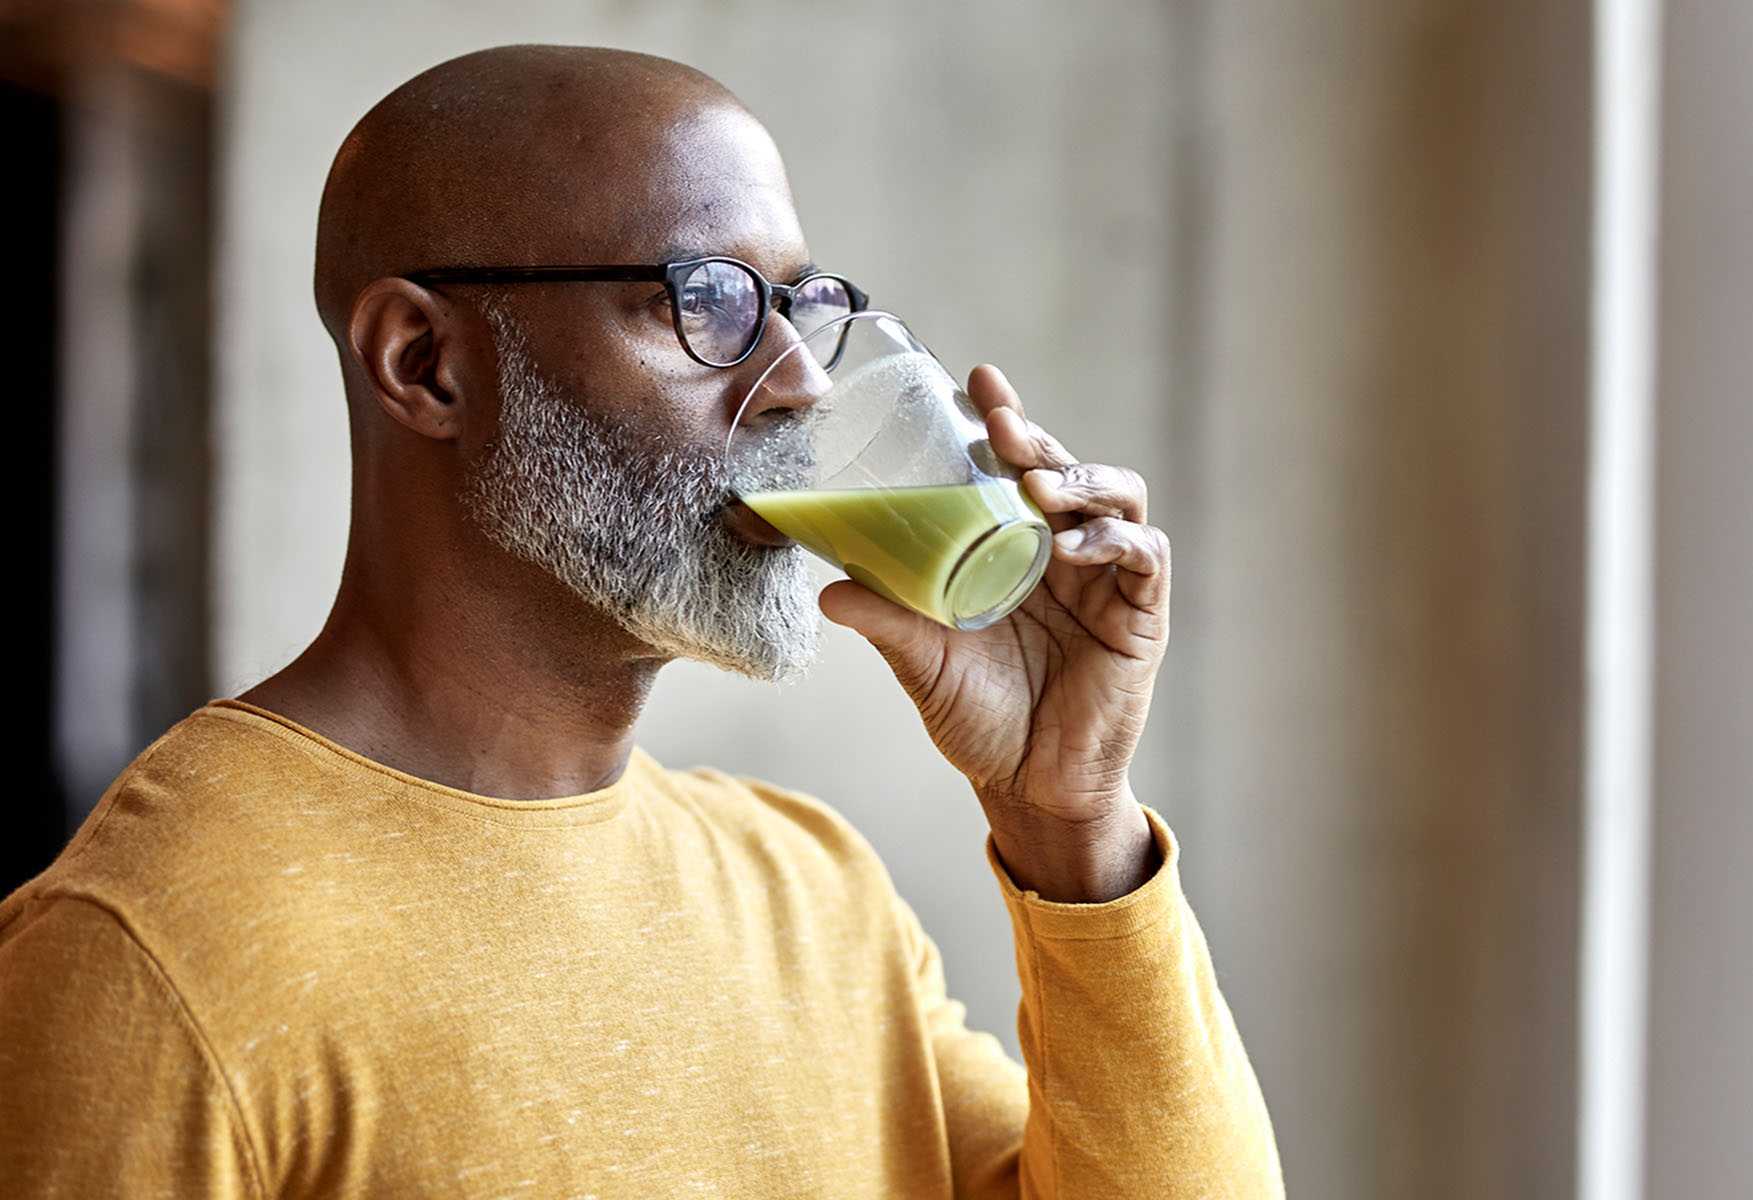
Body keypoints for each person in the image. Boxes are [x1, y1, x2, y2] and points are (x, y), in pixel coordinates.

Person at [0, 44, 1283, 1198]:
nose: (799, 383)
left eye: (801, 305)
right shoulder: (152, 954)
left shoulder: (812, 894)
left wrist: (1072, 820)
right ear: (425, 364)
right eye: (710, 301)